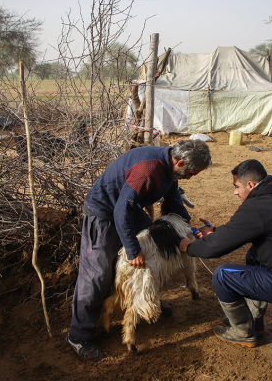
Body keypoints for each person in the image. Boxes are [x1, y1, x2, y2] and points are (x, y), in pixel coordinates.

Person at [67, 140, 211, 361]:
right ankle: (79, 336)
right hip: (104, 213)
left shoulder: (170, 171)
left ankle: (146, 296)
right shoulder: (149, 169)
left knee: (155, 250)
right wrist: (133, 250)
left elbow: (173, 201)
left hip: (129, 212)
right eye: (191, 173)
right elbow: (120, 210)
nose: (190, 177)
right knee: (97, 274)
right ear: (180, 162)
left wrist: (188, 229)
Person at [179, 159, 272, 348]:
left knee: (222, 276)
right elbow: (239, 231)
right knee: (254, 254)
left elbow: (217, 247)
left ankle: (243, 331)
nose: (235, 192)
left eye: (237, 187)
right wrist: (215, 233)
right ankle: (254, 320)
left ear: (250, 185)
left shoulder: (258, 207)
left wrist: (189, 247)